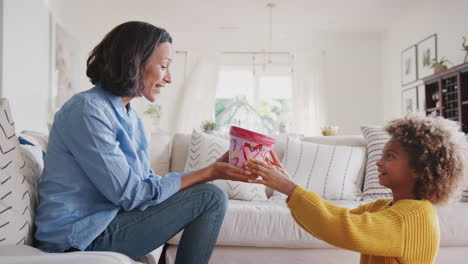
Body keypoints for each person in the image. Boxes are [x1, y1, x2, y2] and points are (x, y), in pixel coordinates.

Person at [34, 21, 253, 263]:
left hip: (105, 222)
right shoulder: (88, 110)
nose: (169, 78)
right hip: (77, 237)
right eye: (163, 66)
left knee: (205, 196)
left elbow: (145, 184)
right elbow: (131, 194)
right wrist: (209, 172)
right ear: (134, 63)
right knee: (210, 196)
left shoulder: (131, 118)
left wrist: (209, 171)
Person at [246, 114, 467, 263]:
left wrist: (290, 188)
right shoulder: (385, 207)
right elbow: (332, 218)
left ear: (419, 169)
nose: (379, 162)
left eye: (390, 156)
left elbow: (344, 227)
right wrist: (289, 186)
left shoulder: (411, 217)